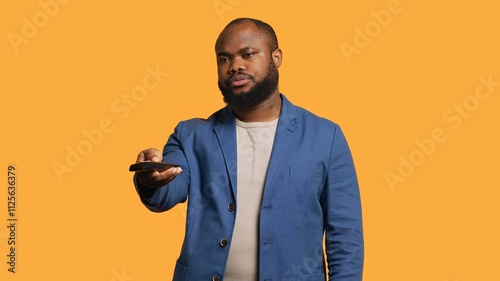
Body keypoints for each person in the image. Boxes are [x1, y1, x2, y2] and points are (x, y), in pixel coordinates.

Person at [133, 18, 364, 281]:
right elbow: (168, 189)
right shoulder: (191, 135)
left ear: (276, 57)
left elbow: (345, 235)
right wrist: (152, 178)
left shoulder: (325, 136)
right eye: (224, 59)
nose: (235, 66)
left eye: (248, 54)